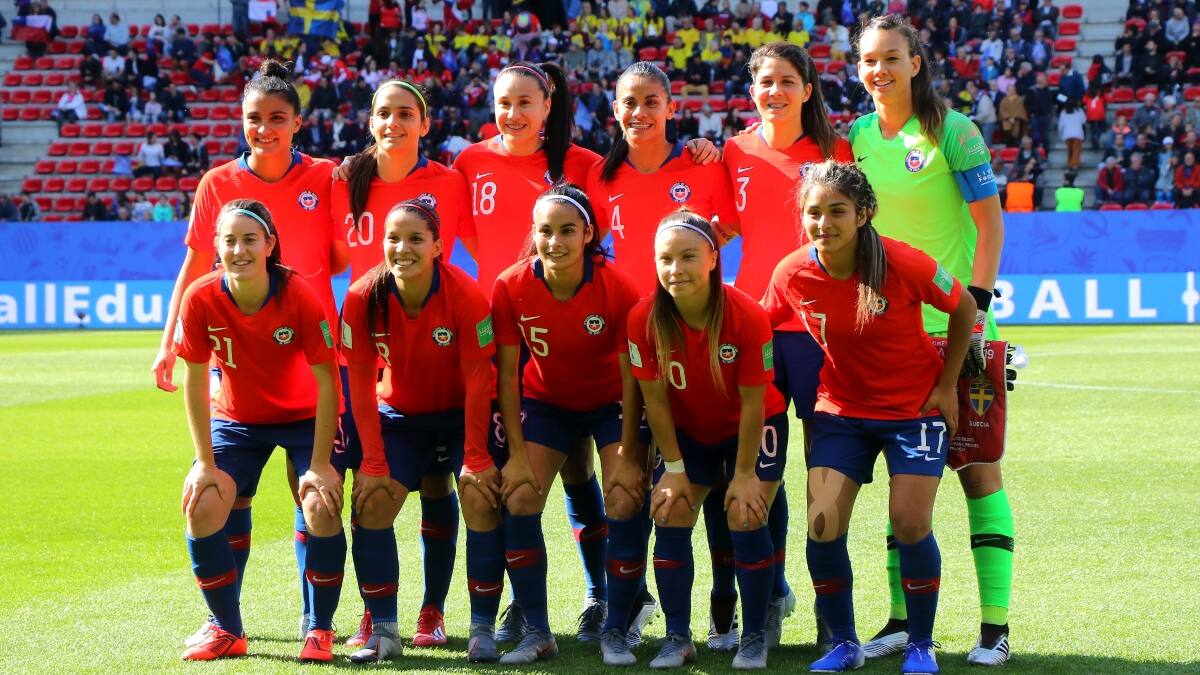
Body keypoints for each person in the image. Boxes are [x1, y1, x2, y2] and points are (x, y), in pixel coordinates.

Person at [151, 59, 349, 649]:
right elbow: (193, 264)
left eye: (276, 118)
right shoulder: (217, 183)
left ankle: (318, 625)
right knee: (218, 493)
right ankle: (226, 625)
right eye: (253, 119)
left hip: (311, 357)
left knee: (313, 493)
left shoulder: (327, 176)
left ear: (297, 123)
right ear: (242, 122)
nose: (264, 128)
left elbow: (342, 255)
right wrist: (168, 342)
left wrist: (296, 293)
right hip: (242, 368)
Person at [849, 15, 1015, 667]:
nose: (879, 70)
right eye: (868, 60)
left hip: (959, 331)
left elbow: (990, 224)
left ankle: (994, 627)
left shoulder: (954, 130)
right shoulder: (857, 138)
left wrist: (976, 305)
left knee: (978, 473)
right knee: (904, 483)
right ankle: (898, 617)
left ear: (916, 62)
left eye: (891, 57)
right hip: (892, 338)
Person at [332, 78, 474, 650]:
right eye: (384, 113)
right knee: (364, 487)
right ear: (370, 122)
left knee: (439, 485)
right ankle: (366, 613)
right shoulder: (342, 178)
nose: (394, 122)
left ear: (425, 122)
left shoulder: (449, 181)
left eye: (406, 113)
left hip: (434, 345)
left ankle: (432, 612)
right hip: (368, 354)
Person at [172, 199, 346, 662]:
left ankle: (319, 629)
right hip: (236, 421)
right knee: (202, 505)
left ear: (270, 244)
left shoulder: (300, 295)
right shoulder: (201, 296)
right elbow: (191, 378)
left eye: (250, 239)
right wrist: (204, 463)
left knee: (321, 506)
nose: (240, 249)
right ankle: (227, 629)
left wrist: (324, 464)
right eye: (229, 240)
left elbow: (329, 381)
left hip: (304, 418)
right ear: (217, 246)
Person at [723, 41, 853, 651]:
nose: (773, 90)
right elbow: (716, 224)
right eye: (764, 81)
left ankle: (834, 617)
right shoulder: (733, 151)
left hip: (826, 335)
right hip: (759, 328)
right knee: (764, 470)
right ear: (752, 91)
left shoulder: (838, 152)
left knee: (824, 476)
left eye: (786, 80)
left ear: (807, 89)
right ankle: (770, 597)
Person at [623, 210, 787, 670]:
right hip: (690, 433)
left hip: (752, 429)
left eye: (688, 256)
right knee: (670, 509)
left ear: (713, 258)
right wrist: (673, 471)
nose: (676, 269)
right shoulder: (643, 318)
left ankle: (753, 635)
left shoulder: (747, 315)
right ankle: (678, 637)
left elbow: (755, 404)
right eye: (666, 259)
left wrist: (744, 474)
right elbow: (655, 403)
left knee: (744, 512)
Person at [339, 199, 497, 664]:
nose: (402, 248)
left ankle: (475, 625)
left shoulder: (465, 296)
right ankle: (382, 625)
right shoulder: (363, 296)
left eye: (414, 239)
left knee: (478, 496)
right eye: (393, 238)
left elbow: (479, 381)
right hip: (401, 418)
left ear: (437, 248)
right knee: (369, 499)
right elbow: (360, 385)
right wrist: (370, 461)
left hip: (457, 413)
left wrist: (475, 456)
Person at [490, 184, 643, 664]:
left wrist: (632, 452)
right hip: (547, 402)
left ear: (588, 234)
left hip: (610, 403)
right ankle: (536, 629)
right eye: (545, 231)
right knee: (518, 495)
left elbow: (631, 378)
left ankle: (618, 620)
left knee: (624, 494)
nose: (555, 241)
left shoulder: (617, 287)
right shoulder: (510, 285)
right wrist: (515, 454)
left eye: (567, 231)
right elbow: (509, 377)